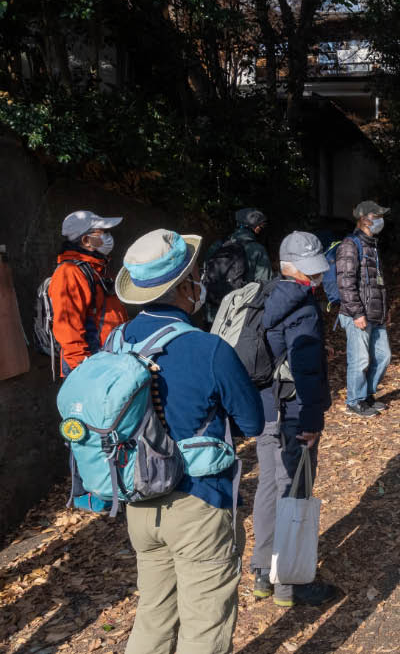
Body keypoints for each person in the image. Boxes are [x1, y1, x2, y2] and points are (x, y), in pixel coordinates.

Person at [113, 229, 264, 654]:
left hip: (138, 498)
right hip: (198, 501)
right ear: (184, 287)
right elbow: (252, 423)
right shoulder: (208, 349)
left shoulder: (116, 343)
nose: (201, 282)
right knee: (204, 624)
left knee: (153, 617)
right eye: (197, 275)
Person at [251, 231, 337, 607]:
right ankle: (289, 583)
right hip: (293, 410)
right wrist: (312, 420)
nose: (316, 279)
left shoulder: (262, 295)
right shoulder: (301, 306)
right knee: (295, 490)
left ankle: (260, 574)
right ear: (297, 270)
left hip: (264, 409)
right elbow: (305, 369)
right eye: (312, 272)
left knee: (268, 487)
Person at [49, 210, 129, 377]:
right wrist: (84, 370)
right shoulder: (69, 272)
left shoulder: (98, 269)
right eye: (103, 232)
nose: (109, 237)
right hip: (90, 365)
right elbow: (67, 328)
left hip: (109, 358)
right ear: (85, 240)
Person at [335, 201, 392, 417]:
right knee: (359, 360)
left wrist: (386, 309)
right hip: (357, 314)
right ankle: (354, 401)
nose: (380, 219)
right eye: (376, 215)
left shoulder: (373, 245)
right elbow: (345, 282)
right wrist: (357, 312)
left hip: (376, 313)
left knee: (383, 356)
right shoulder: (350, 245)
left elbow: (378, 282)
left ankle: (367, 394)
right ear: (362, 218)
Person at [203, 207, 272, 322]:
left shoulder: (217, 246)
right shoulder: (258, 250)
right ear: (256, 228)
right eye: (261, 227)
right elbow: (265, 285)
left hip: (212, 314)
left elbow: (205, 273)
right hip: (238, 316)